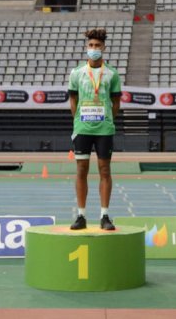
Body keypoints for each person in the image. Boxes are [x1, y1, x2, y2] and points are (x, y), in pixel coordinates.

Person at [67, 28, 121, 230]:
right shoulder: (77, 73)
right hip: (82, 127)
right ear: (86, 47)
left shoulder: (112, 74)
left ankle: (104, 215)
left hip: (104, 129)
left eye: (97, 46)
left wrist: (108, 119)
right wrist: (78, 120)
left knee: (104, 170)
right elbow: (73, 98)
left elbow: (116, 102)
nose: (94, 49)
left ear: (104, 48)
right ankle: (81, 216)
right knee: (81, 169)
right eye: (91, 45)